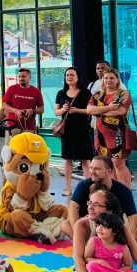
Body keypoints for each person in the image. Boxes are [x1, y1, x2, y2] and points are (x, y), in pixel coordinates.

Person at [68, 186, 137, 272]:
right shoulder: (81, 224)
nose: (90, 207)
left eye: (96, 205)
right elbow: (79, 259)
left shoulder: (120, 227)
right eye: (90, 203)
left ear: (109, 210)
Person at [83, 68, 133, 187]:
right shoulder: (97, 95)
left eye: (111, 78)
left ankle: (126, 191)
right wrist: (109, 108)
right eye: (106, 78)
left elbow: (121, 111)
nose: (108, 80)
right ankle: (114, 190)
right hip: (101, 135)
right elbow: (89, 110)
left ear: (117, 80)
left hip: (118, 134)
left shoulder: (123, 94)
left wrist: (99, 111)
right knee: (108, 164)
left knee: (118, 164)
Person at [67, 155, 137, 234]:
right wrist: (77, 231)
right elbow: (72, 207)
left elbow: (132, 216)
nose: (92, 172)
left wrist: (134, 235)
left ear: (109, 171)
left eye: (97, 169)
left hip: (111, 226)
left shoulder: (123, 191)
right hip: (88, 225)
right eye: (91, 168)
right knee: (66, 225)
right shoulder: (84, 185)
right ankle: (83, 240)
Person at [54, 67, 94, 196]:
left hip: (82, 129)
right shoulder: (61, 93)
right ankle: (68, 187)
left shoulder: (86, 93)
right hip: (67, 130)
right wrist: (64, 109)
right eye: (67, 75)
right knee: (67, 159)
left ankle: (89, 187)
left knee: (85, 159)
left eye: (72, 75)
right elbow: (56, 112)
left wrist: (77, 110)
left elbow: (90, 111)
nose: (69, 77)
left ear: (77, 77)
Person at [1, 68, 44, 136]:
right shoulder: (12, 89)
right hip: (13, 126)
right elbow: (4, 105)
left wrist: (32, 111)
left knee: (28, 143)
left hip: (29, 127)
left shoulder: (36, 91)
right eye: (19, 76)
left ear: (29, 77)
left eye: (23, 76)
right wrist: (16, 111)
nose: (21, 78)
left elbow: (41, 109)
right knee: (13, 143)